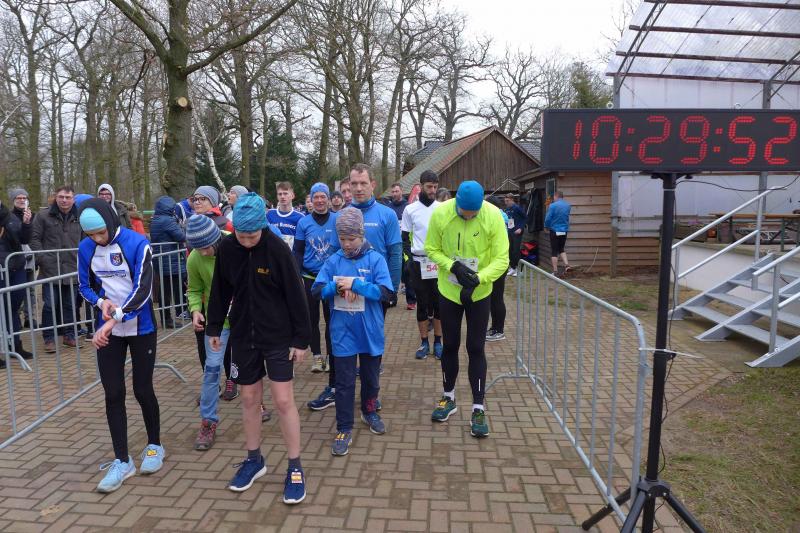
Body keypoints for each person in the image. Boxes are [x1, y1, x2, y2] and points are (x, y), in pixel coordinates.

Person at [206, 192, 310, 502]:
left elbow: (296, 294)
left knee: (283, 400)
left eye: (253, 236)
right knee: (249, 398)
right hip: (243, 336)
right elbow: (220, 289)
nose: (247, 241)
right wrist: (214, 326)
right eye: (242, 235)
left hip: (278, 336)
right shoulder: (228, 248)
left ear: (262, 228)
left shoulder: (277, 249)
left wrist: (301, 340)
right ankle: (254, 459)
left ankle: (295, 466)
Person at [77, 198, 163, 493]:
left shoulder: (138, 243)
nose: (97, 239)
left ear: (111, 222)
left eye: (101, 233)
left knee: (142, 389)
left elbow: (143, 290)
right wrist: (101, 302)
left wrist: (113, 320)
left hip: (141, 327)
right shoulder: (86, 247)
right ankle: (122, 460)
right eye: (91, 235)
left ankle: (154, 445)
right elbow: (84, 286)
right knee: (113, 393)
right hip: (108, 329)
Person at [307, 163, 401, 411]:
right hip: (340, 292)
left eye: (363, 183)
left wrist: (392, 290)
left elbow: (395, 253)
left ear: (373, 184)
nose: (358, 188)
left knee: (372, 344)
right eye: (354, 183)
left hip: (373, 291)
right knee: (335, 338)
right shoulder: (340, 216)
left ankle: (371, 395)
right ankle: (335, 387)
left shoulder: (387, 215)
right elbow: (332, 253)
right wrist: (333, 284)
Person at [425, 180, 509, 438]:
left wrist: (479, 279)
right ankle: (448, 397)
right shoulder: (441, 213)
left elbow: (502, 259)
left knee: (475, 348)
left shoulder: (493, 215)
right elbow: (431, 248)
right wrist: (452, 266)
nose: (469, 216)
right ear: (456, 203)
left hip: (479, 292)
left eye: (474, 213)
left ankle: (478, 408)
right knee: (450, 345)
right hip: (449, 291)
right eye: (465, 213)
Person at [313, 208, 392, 455]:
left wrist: (357, 285)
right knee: (344, 383)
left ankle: (369, 410)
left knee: (371, 379)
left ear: (361, 235)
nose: (346, 244)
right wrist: (336, 287)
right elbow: (316, 290)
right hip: (342, 332)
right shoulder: (334, 260)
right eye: (342, 239)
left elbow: (386, 293)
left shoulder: (375, 259)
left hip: (370, 332)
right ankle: (344, 427)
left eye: (352, 239)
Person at [185, 215, 231, 450]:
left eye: (206, 247)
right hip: (217, 322)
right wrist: (195, 310)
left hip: (245, 318)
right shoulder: (194, 257)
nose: (202, 252)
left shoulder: (235, 246)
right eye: (198, 248)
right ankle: (208, 422)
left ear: (215, 239)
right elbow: (194, 289)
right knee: (212, 368)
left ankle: (258, 404)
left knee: (250, 366)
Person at [293, 183, 339, 374]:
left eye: (323, 197)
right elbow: (297, 251)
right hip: (309, 278)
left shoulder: (337, 219)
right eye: (316, 197)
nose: (319, 200)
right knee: (311, 319)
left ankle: (330, 356)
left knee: (331, 319)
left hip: (331, 279)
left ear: (328, 199)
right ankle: (317, 357)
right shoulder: (303, 223)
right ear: (311, 200)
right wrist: (296, 275)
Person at [30, 185, 82, 352]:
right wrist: (42, 259)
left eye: (68, 197)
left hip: (72, 268)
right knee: (50, 306)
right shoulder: (43, 216)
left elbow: (86, 239)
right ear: (56, 197)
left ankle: (69, 336)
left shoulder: (80, 216)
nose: (64, 200)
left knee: (71, 305)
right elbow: (34, 239)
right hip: (50, 269)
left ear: (73, 199)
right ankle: (49, 338)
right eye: (61, 197)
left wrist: (82, 260)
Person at [400, 170, 442, 360]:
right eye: (429, 187)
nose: (432, 190)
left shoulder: (442, 208)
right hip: (418, 262)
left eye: (435, 187)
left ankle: (438, 342)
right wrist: (409, 261)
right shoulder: (410, 209)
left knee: (439, 304)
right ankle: (424, 342)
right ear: (421, 186)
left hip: (438, 262)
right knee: (422, 304)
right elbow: (404, 239)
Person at [0, 191, 33, 363]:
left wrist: (26, 224)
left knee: (13, 307)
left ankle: (15, 344)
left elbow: (24, 239)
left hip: (16, 268)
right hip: (2, 269)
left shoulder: (10, 217)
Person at [148, 196, 186, 329]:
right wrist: (182, 227)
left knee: (164, 290)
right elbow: (181, 236)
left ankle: (166, 317)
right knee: (168, 291)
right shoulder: (167, 220)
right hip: (171, 260)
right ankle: (167, 319)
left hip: (161, 260)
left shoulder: (156, 219)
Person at [383, 182, 416, 311]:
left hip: (405, 244)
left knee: (408, 272)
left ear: (401, 191)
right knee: (392, 271)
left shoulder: (408, 207)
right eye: (393, 192)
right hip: (392, 244)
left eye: (397, 191)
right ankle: (392, 298)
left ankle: (411, 300)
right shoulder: (388, 208)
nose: (395, 194)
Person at [267, 182, 304, 250]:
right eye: (280, 194)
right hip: (272, 254)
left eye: (285, 193)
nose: (282, 196)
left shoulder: (300, 217)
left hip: (291, 255)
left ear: (292, 196)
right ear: (277, 196)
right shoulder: (269, 214)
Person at [544, 191, 572, 275]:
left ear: (556, 196)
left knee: (554, 251)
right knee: (561, 249)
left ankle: (555, 271)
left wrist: (546, 226)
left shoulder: (552, 206)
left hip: (554, 230)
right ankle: (567, 265)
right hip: (564, 230)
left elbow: (548, 218)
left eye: (554, 197)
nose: (553, 199)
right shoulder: (568, 205)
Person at [504, 193, 526, 277]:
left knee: (516, 250)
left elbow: (525, 217)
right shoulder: (507, 209)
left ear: (512, 200)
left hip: (517, 232)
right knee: (510, 250)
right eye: (505, 201)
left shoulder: (517, 208)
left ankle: (520, 270)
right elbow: (509, 219)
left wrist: (520, 228)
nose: (506, 203)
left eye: (507, 201)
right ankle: (513, 268)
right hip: (510, 231)